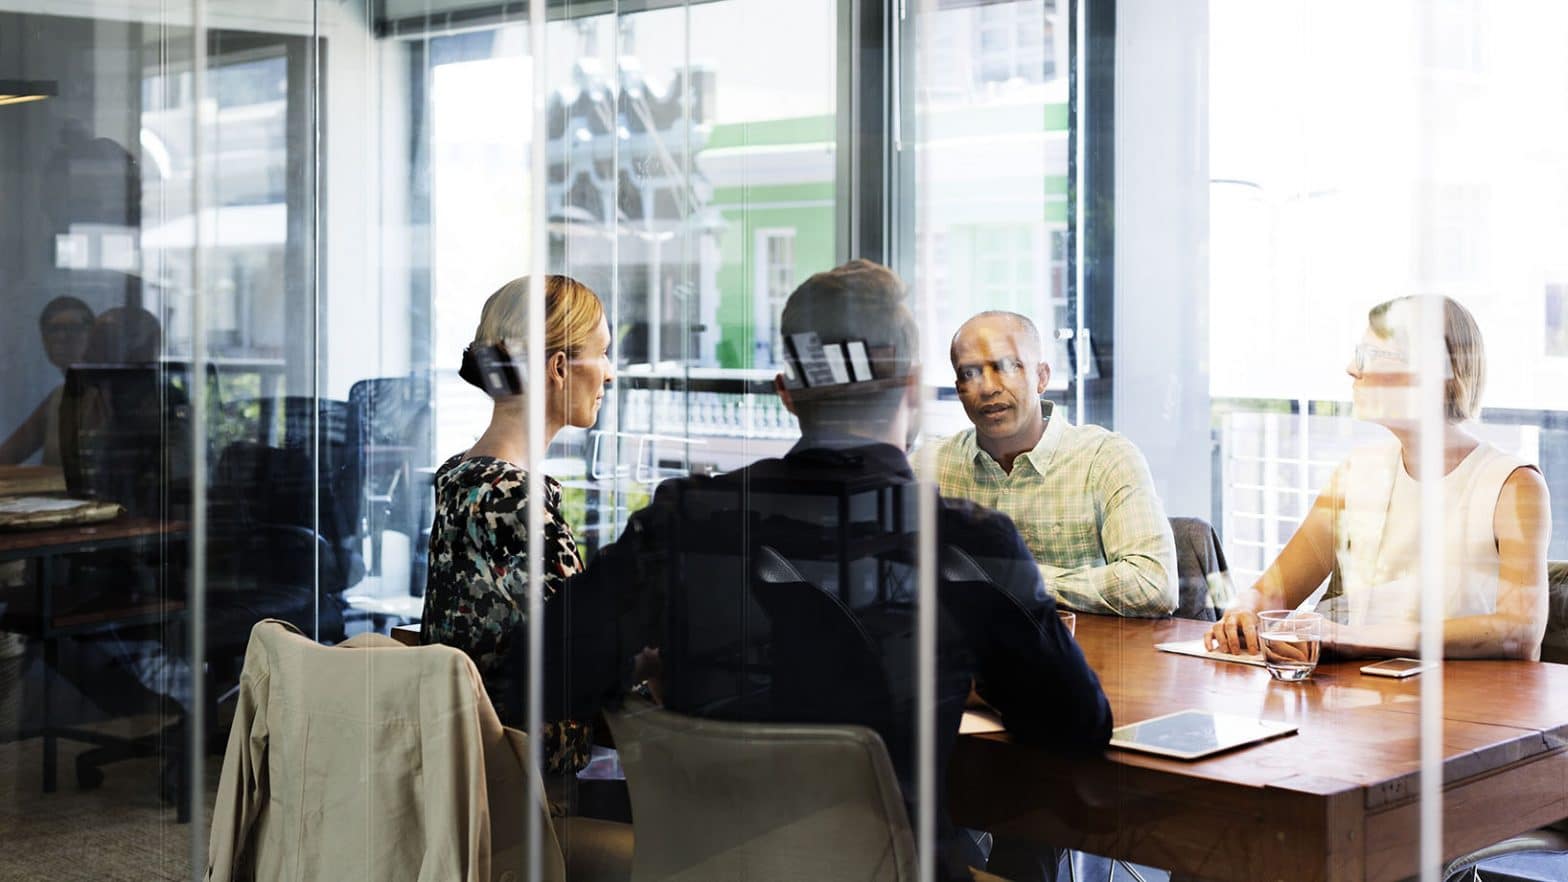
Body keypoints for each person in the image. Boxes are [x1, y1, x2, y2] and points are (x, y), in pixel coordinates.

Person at [547, 260, 1112, 880]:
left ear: (786, 391)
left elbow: (540, 672)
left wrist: (649, 666)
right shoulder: (966, 542)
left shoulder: (685, 520)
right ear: (913, 387)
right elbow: (1077, 728)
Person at [1206, 296, 1550, 660]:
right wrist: (1244, 610)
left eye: (1371, 356)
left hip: (1469, 704)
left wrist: (1353, 638)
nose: (1352, 368)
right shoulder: (1356, 474)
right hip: (1363, 697)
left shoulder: (1513, 485)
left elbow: (1521, 630)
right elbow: (1273, 592)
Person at [419, 274, 615, 775]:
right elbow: (590, 647)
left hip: (470, 770)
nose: (609, 374)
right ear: (558, 367)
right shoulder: (513, 497)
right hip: (528, 791)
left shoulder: (460, 476)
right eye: (603, 353)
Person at [930, 311, 1178, 617]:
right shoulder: (930, 465)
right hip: (966, 657)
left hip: (1088, 655)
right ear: (959, 390)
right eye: (970, 373)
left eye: (1007, 366)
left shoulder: (1105, 458)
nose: (988, 388)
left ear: (1042, 377)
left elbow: (1153, 583)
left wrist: (1021, 579)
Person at [0, 296, 95, 465]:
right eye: (54, 329)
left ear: (92, 335)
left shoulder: (107, 394)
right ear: (44, 339)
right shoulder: (59, 397)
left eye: (74, 328)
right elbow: (6, 456)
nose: (63, 337)